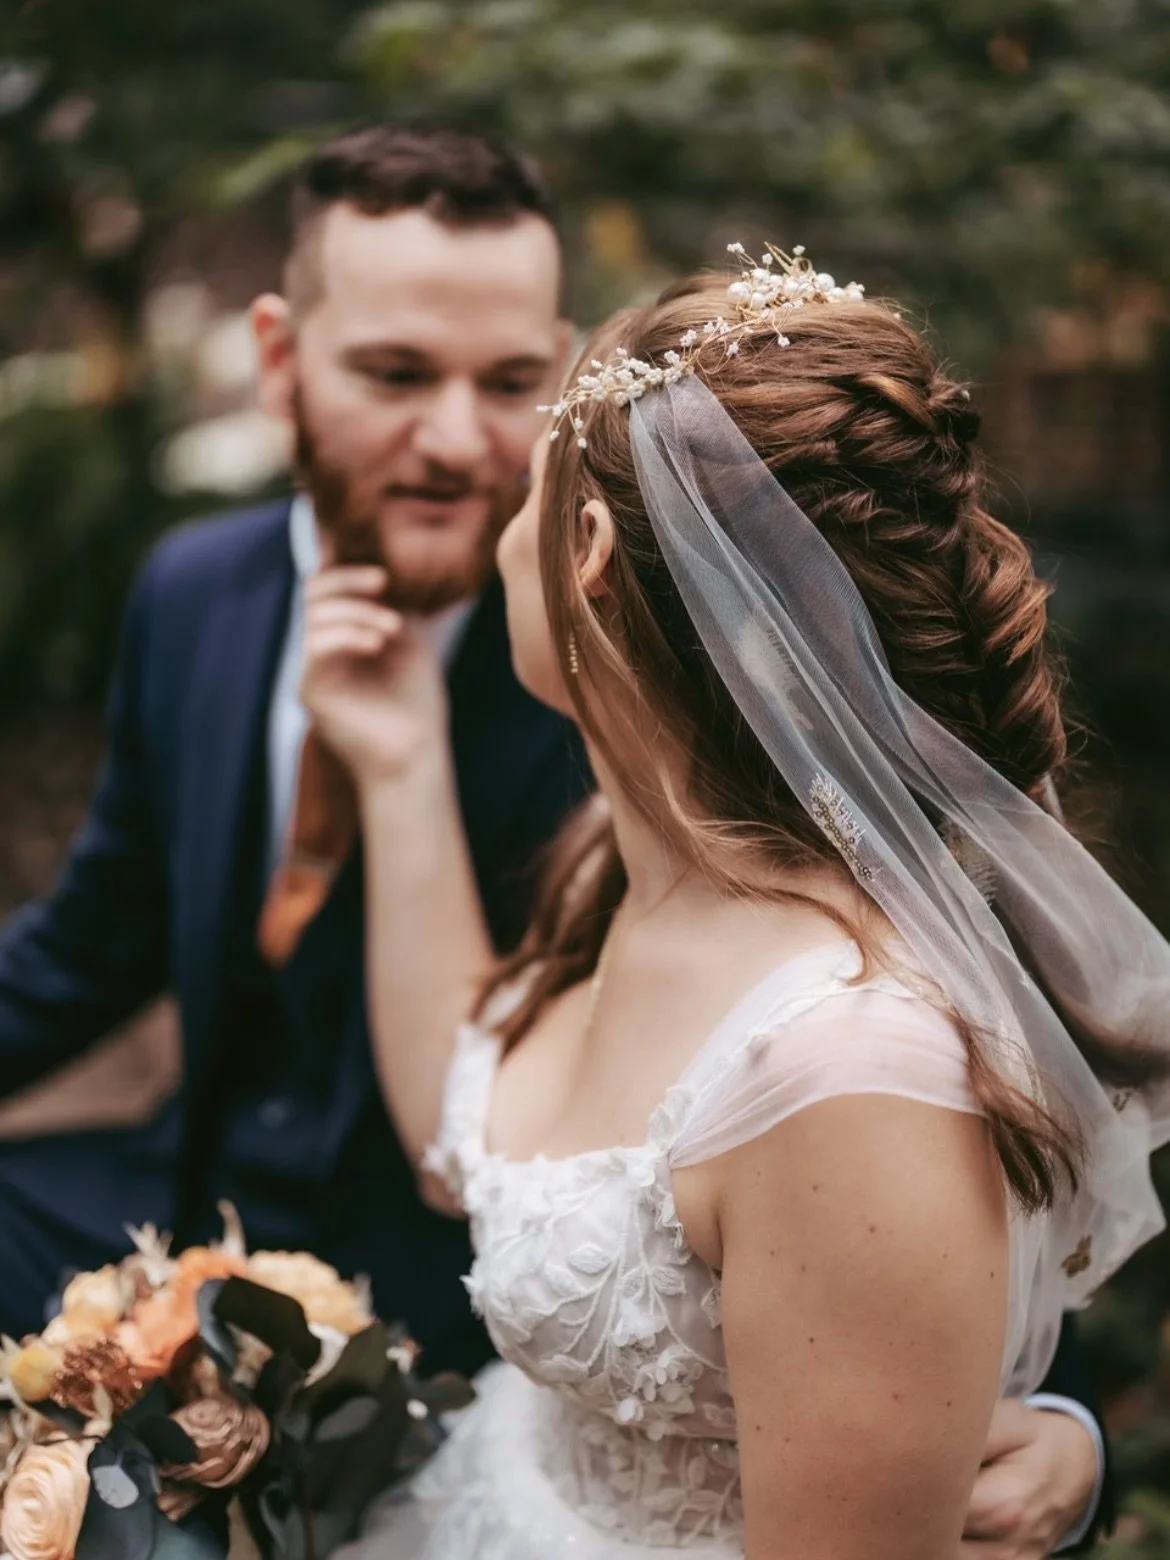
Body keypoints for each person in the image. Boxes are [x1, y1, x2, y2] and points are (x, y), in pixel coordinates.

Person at [306, 254, 1170, 1557]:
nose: (501, 515)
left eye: (533, 482)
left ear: (585, 551)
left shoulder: (852, 1072)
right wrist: (397, 761)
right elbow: (466, 1127)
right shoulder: (640, 856)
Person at [0, 123, 583, 1379]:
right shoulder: (193, 590)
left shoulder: (618, 660)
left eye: (507, 381)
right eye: (394, 373)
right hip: (190, 1206)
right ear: (279, 361)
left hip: (476, 1310)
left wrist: (1051, 1408)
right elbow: (93, 944)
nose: (454, 442)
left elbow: (818, 1028)